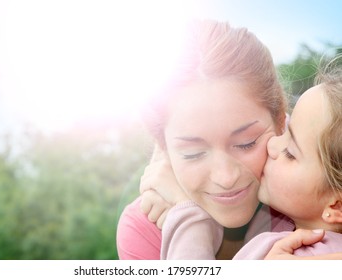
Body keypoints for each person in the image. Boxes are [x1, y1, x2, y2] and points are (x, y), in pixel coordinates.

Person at [116, 20, 339, 260]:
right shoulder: (143, 231)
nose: (225, 178)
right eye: (192, 153)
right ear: (164, 148)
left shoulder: (307, 179)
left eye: (247, 143)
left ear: (279, 121)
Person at [233, 65, 342, 259]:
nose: (272, 144)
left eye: (290, 153)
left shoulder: (275, 255)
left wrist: (187, 215)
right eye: (284, 131)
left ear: (336, 206)